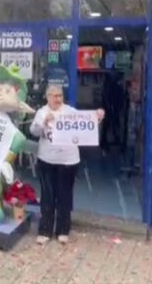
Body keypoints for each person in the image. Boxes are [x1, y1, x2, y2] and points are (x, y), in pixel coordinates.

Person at [30, 85, 104, 245]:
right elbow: (34, 131)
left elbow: (86, 123)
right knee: (48, 196)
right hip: (47, 160)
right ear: (47, 96)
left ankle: (63, 230)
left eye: (60, 95)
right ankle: (45, 231)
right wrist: (44, 122)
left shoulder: (69, 111)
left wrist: (97, 116)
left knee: (65, 196)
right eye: (54, 95)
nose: (57, 99)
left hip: (68, 161)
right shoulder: (42, 112)